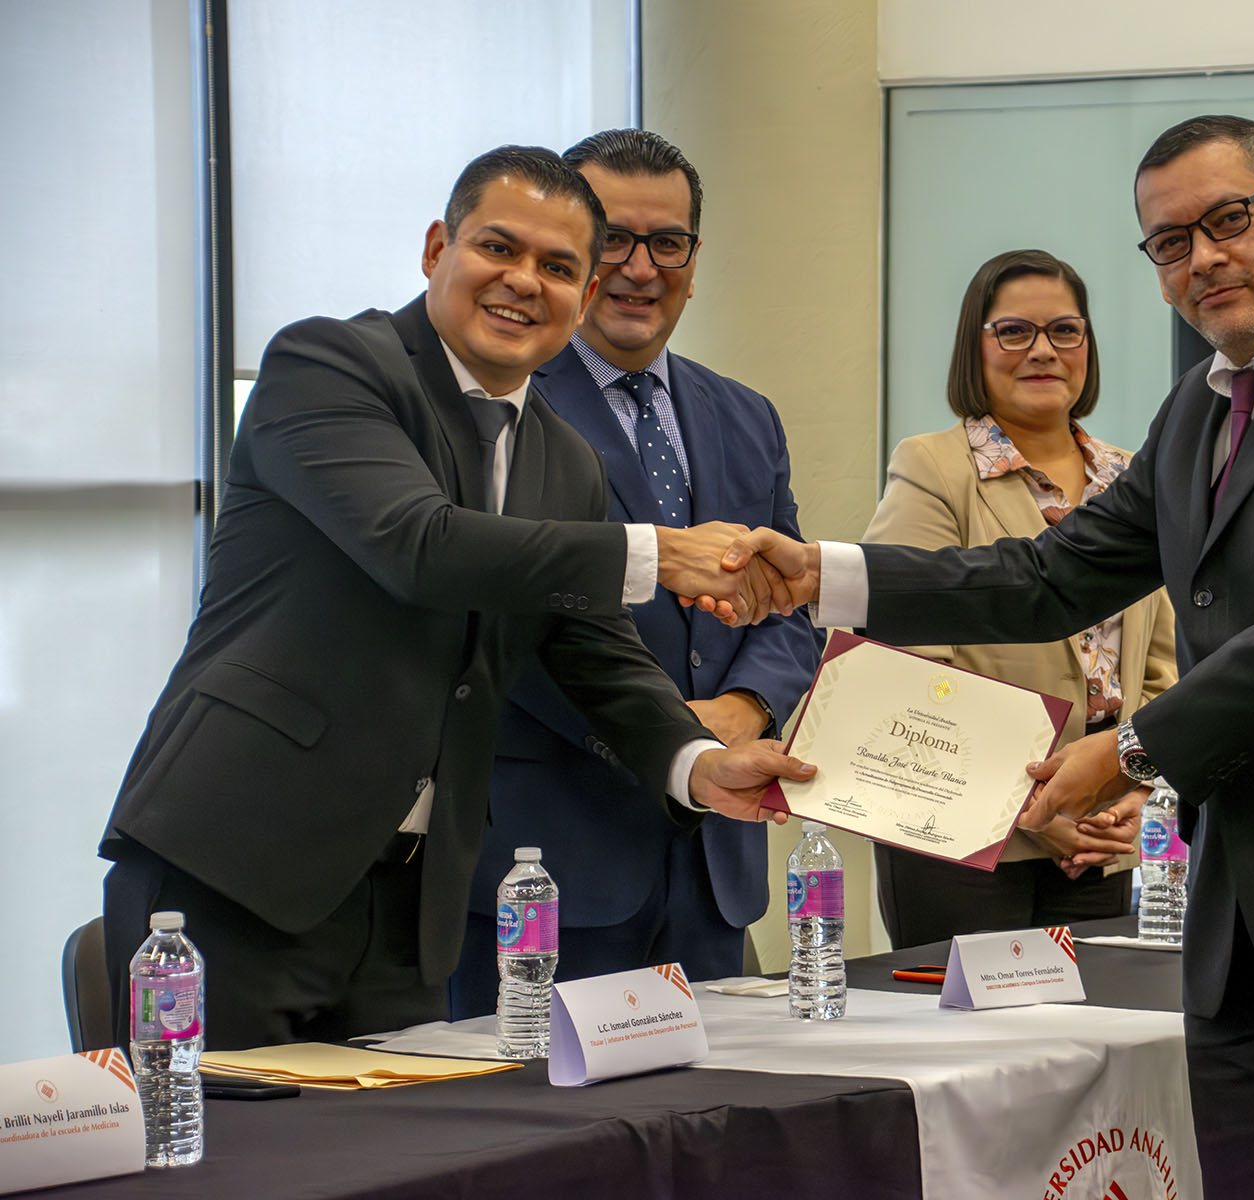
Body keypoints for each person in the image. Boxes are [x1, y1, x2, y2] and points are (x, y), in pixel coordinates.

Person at [717, 115, 1254, 1199]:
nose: (1201, 258)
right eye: (1169, 242)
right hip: (1239, 938)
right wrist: (824, 576)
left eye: (1228, 220)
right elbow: (1047, 576)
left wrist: (1132, 750)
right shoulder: (1200, 409)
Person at [97, 145, 813, 1050]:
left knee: (414, 1169)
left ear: (584, 296)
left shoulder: (564, 457)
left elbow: (590, 651)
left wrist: (698, 764)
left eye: (558, 268)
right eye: (498, 249)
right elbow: (420, 545)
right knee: (224, 1169)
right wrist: (656, 555)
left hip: (416, 903)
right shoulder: (328, 365)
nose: (524, 282)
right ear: (437, 248)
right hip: (239, 865)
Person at [450, 130, 819, 1013]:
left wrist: (743, 711)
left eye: (668, 243)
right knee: (537, 1135)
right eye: (612, 239)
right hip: (546, 857)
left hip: (713, 859)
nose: (639, 268)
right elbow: (503, 606)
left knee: (715, 1125)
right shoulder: (503, 404)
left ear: (695, 259)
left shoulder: (746, 415)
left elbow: (788, 605)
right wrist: (665, 730)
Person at [862, 248, 1176, 948]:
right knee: (976, 1046)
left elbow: (1162, 670)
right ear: (974, 346)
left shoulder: (1134, 479)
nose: (1043, 350)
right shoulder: (933, 467)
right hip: (962, 831)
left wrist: (1135, 791)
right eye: (1014, 332)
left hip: (1101, 834)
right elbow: (907, 671)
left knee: (1098, 1043)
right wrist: (1035, 806)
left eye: (1065, 331)